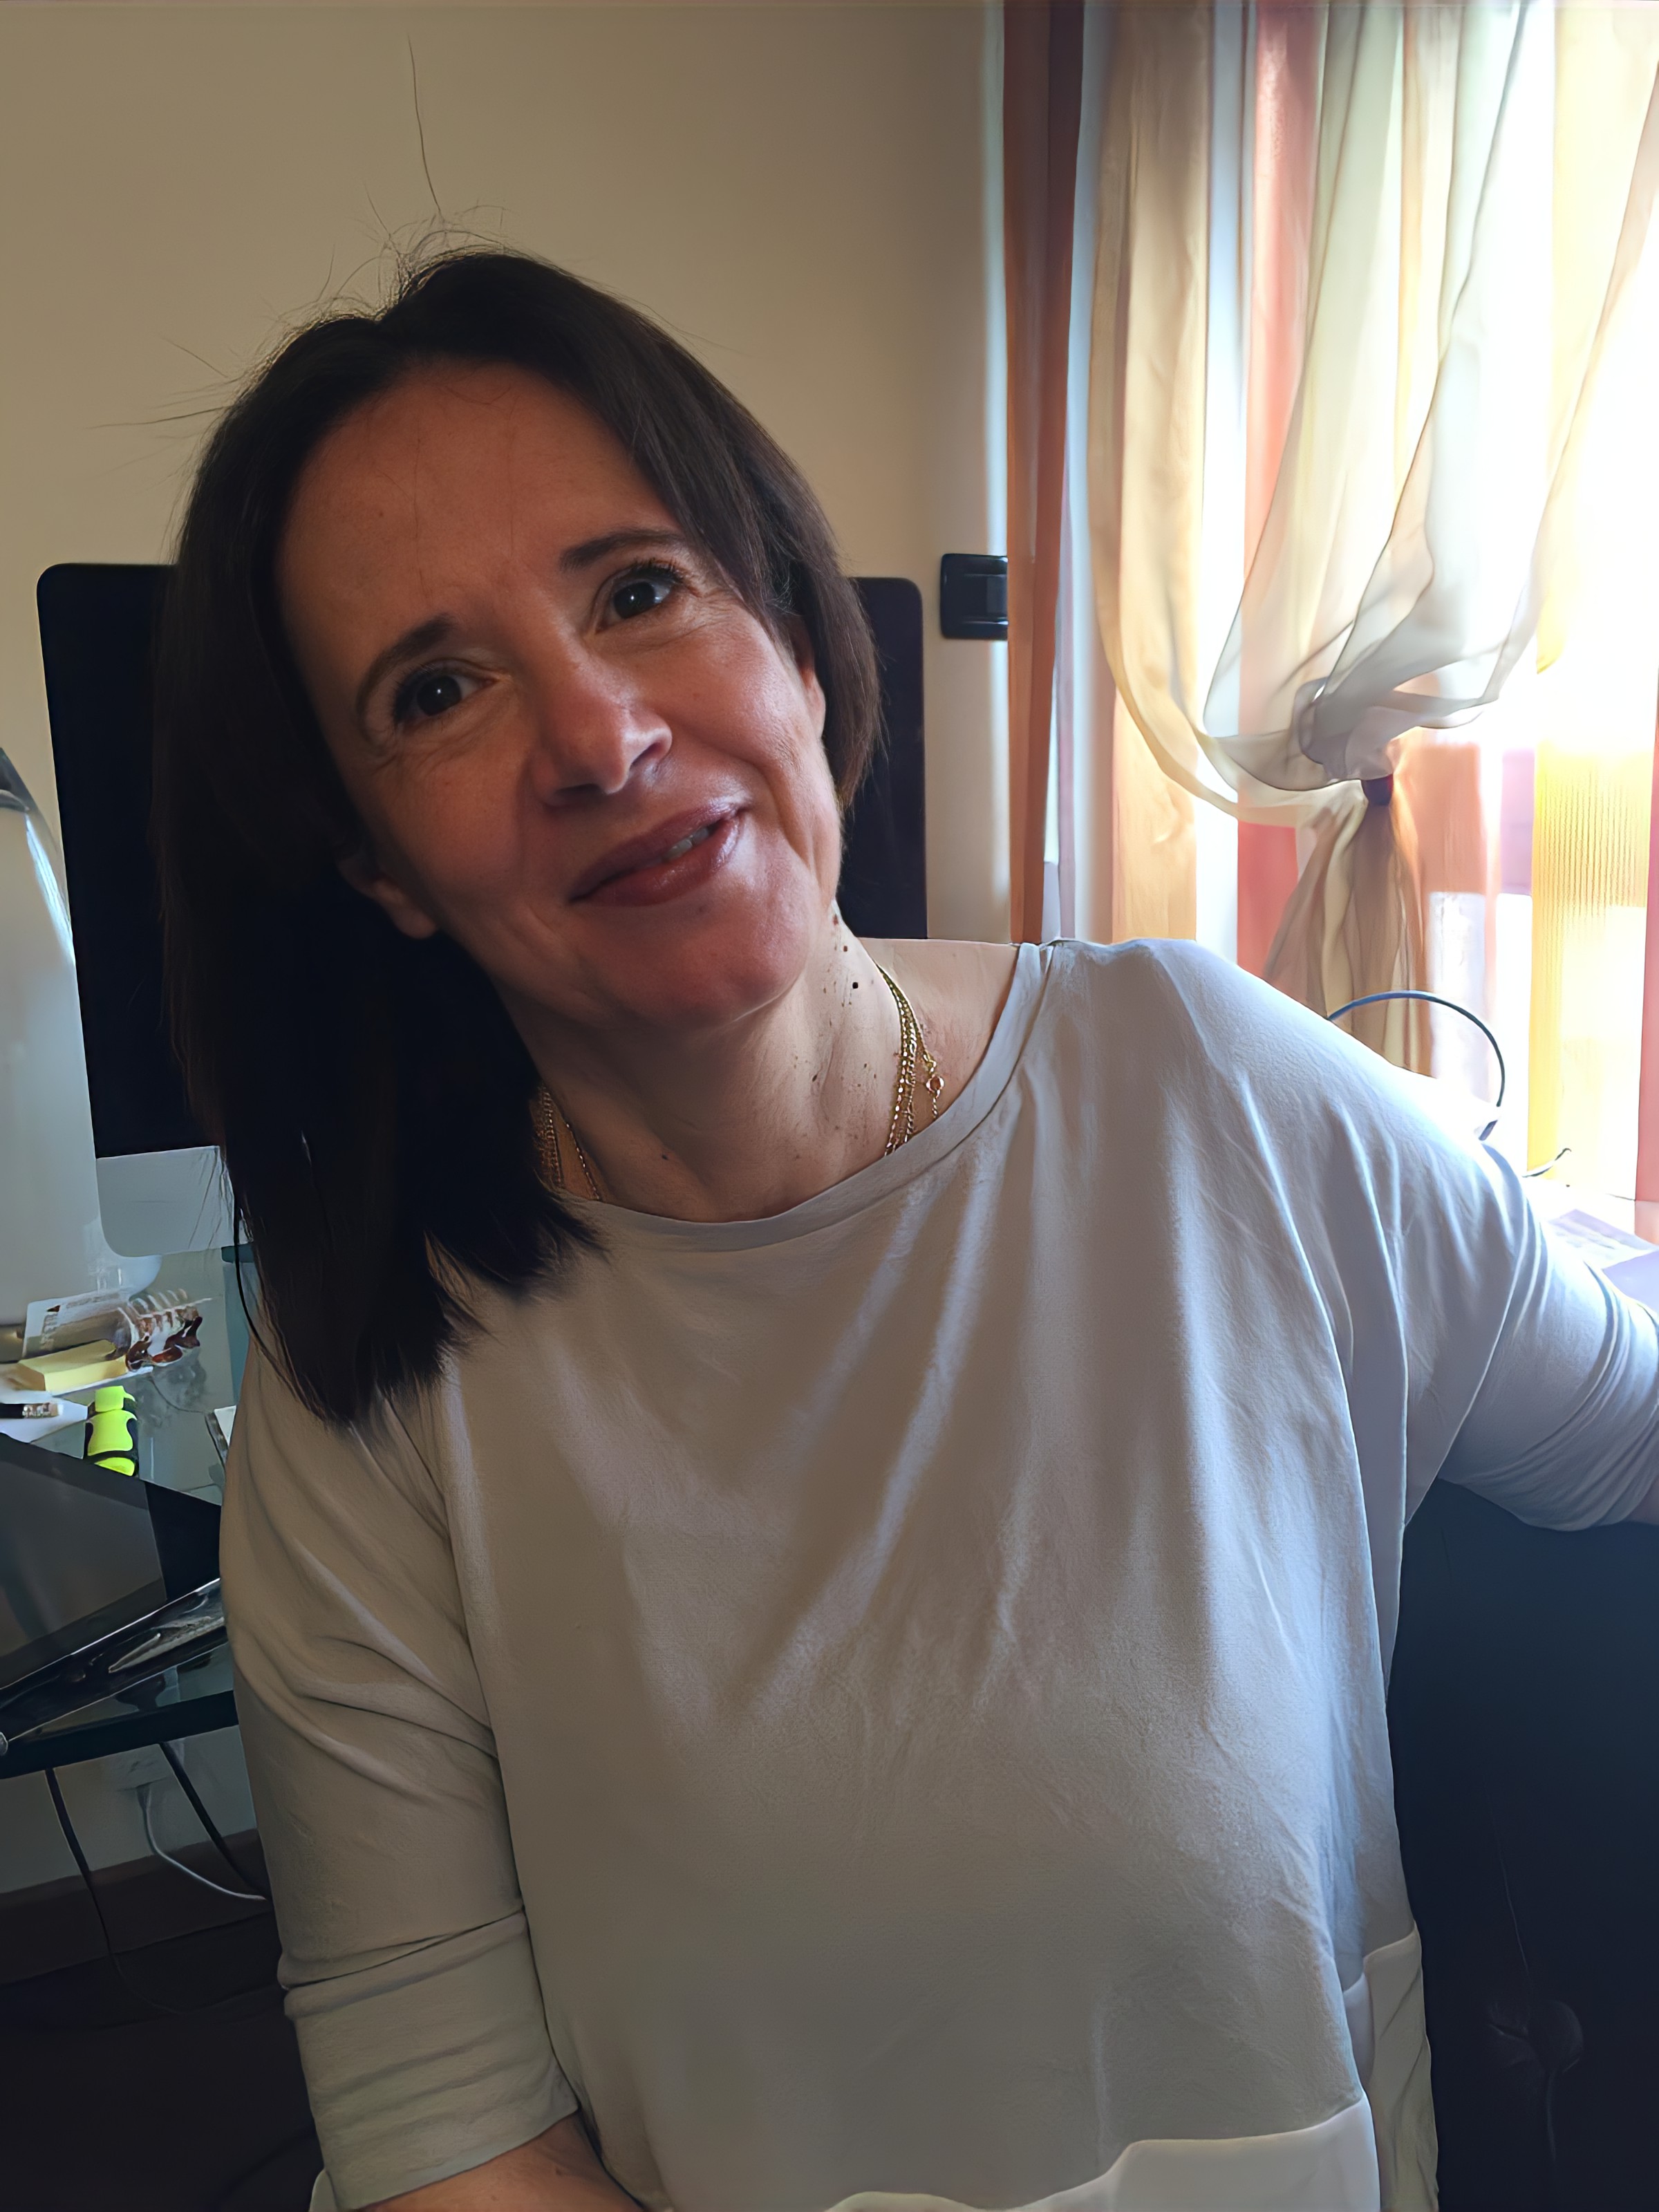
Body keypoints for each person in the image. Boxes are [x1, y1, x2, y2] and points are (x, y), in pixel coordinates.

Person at [152, 250, 1659, 2212]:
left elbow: (1628, 1431)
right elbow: (443, 2128)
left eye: (640, 590)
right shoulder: (376, 1368)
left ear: (791, 629)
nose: (598, 737)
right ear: (377, 864)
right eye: (436, 691)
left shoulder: (1222, 1098)